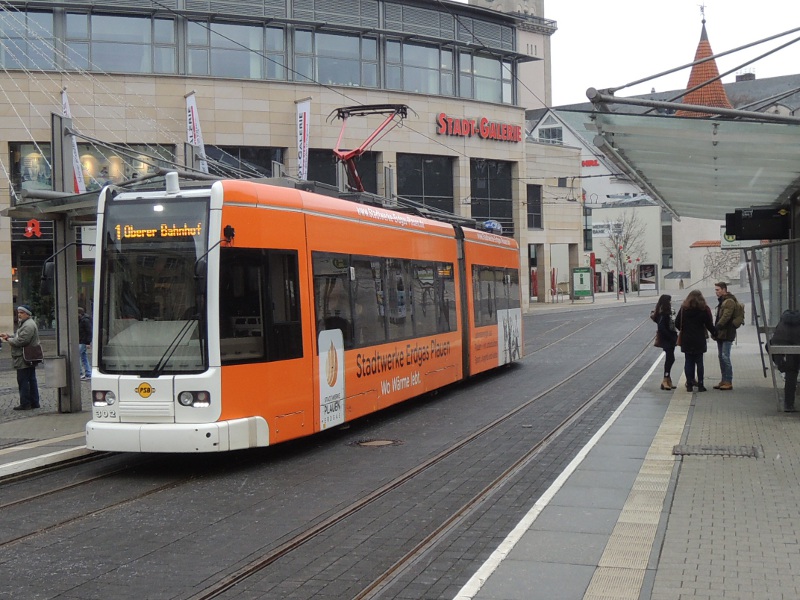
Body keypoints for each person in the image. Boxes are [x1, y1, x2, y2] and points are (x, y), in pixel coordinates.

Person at [0, 305, 41, 411]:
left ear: (27, 314)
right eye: (18, 312)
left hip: (24, 357)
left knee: (23, 380)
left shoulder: (28, 325)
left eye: (21, 312)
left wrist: (9, 340)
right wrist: (9, 337)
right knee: (31, 379)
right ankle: (34, 402)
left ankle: (26, 403)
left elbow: (22, 341)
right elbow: (20, 338)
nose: (19, 314)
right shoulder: (25, 324)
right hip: (26, 356)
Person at [675, 290, 716, 393]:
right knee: (699, 362)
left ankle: (689, 385)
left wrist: (685, 330)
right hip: (699, 339)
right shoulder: (704, 309)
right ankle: (701, 385)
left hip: (687, 339)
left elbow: (676, 323)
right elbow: (709, 324)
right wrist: (715, 333)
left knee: (688, 361)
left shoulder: (684, 309)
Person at [769, 310, 800, 412]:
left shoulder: (782, 323)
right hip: (797, 347)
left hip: (787, 352)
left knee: (791, 375)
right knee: (792, 373)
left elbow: (771, 344)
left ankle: (789, 405)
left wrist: (780, 364)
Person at [712, 281, 737, 391]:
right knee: (721, 357)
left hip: (727, 333)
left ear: (724, 289)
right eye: (716, 290)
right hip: (721, 334)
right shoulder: (722, 301)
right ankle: (723, 380)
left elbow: (725, 317)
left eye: (718, 290)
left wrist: (716, 327)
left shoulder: (729, 301)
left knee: (725, 356)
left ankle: (728, 381)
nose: (716, 292)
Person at [653, 294, 679, 390]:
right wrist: (671, 337)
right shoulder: (663, 313)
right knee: (670, 358)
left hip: (670, 338)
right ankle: (665, 379)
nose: (671, 302)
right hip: (667, 339)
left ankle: (668, 379)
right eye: (669, 301)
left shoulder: (665, 312)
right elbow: (661, 328)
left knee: (670, 358)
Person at [78, 306, 92, 380]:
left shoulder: (84, 320)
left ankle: (81, 373)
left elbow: (89, 331)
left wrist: (88, 342)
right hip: (82, 341)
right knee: (83, 357)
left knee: (79, 356)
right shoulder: (84, 320)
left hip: (82, 341)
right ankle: (88, 373)